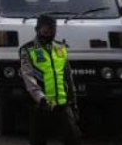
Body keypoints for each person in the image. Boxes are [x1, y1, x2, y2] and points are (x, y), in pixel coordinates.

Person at [20, 14, 82, 145]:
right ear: (37, 30)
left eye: (52, 31)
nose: (48, 34)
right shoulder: (27, 49)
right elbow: (28, 77)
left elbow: (68, 76)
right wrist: (40, 98)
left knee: (74, 138)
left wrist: (73, 101)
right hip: (40, 105)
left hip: (62, 103)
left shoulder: (61, 48)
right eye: (45, 31)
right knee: (38, 140)